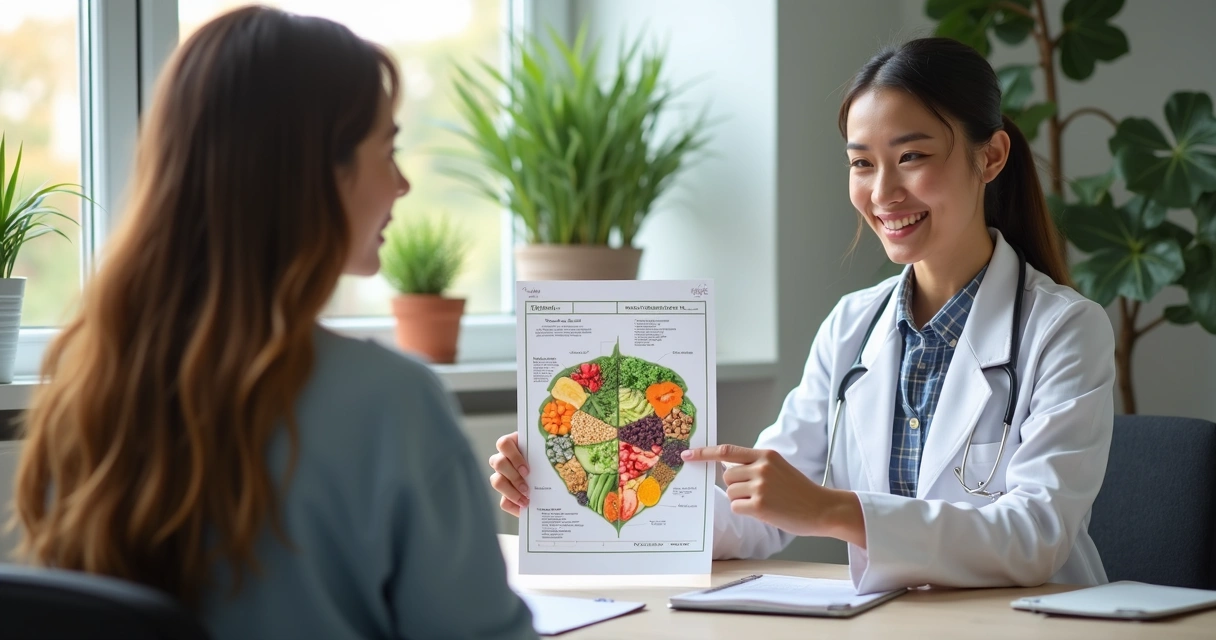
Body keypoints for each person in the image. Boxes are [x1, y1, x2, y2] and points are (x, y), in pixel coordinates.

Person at [488, 37, 1115, 594]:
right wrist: (572, 489)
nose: (882, 193)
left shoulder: (1063, 330)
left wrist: (829, 510)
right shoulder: (852, 327)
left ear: (992, 156)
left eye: (913, 157)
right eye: (862, 163)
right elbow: (756, 510)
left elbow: (1037, 535)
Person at [13, 6, 536, 638]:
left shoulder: (86, 381)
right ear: (314, 172)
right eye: (386, 150)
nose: (400, 185)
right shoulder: (392, 405)